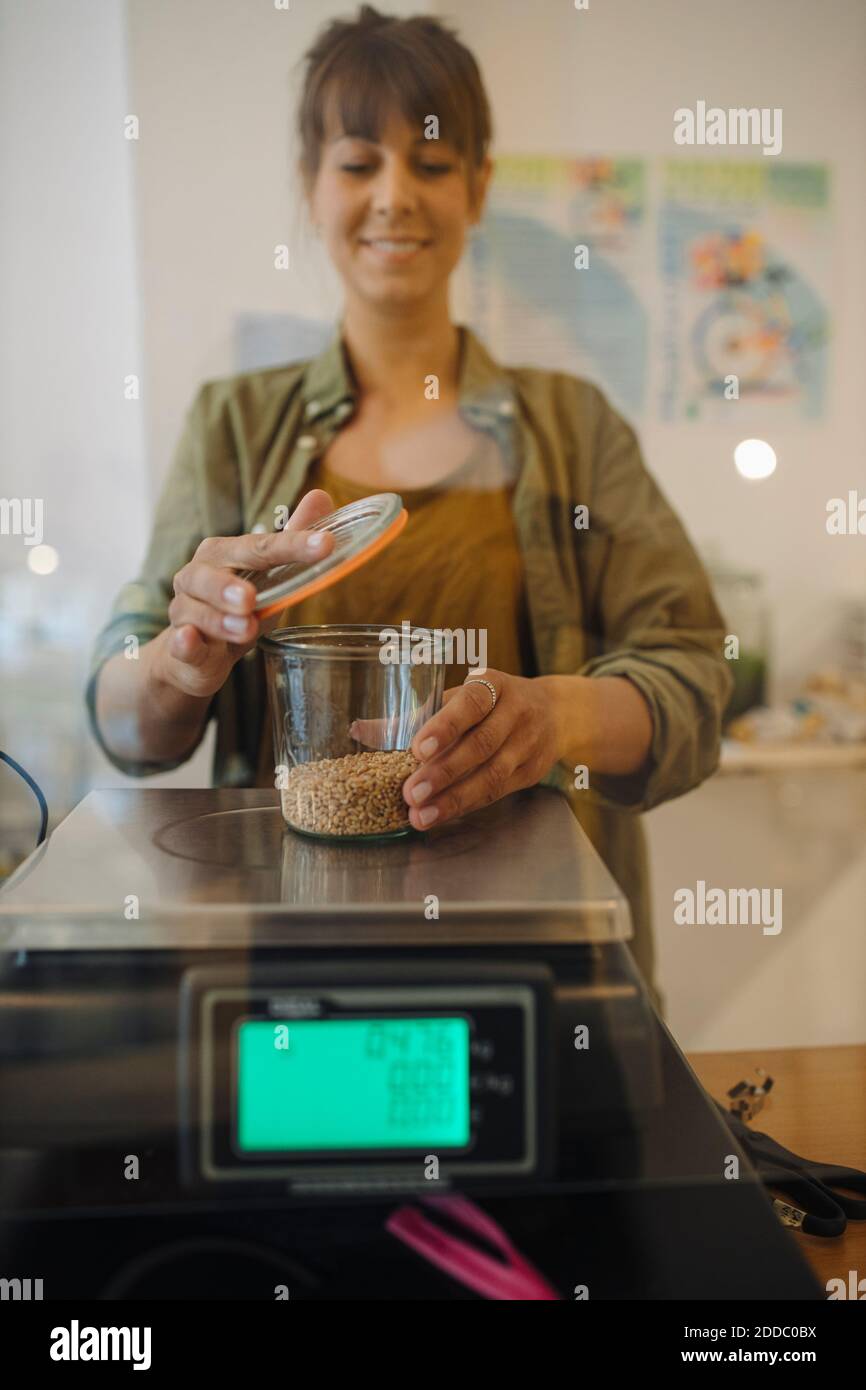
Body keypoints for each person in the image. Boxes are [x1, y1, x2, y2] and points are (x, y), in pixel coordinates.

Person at [87, 5, 732, 1009]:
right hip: (286, 969)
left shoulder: (573, 425)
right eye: (357, 162)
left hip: (540, 975)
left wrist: (551, 714)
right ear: (311, 185)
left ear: (475, 187)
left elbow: (696, 678)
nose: (394, 196)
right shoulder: (232, 424)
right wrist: (176, 662)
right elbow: (127, 722)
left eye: (430, 165)